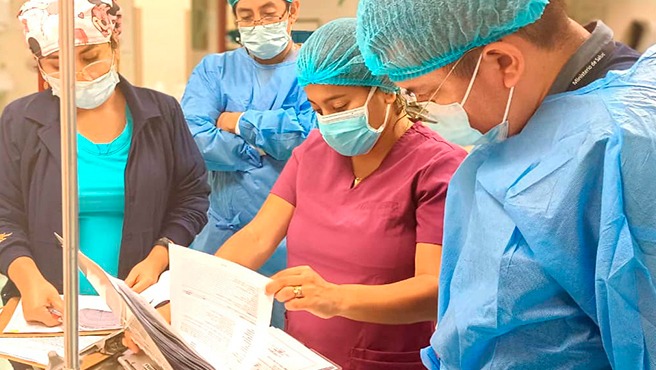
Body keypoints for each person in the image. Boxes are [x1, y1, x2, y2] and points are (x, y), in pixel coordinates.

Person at [357, 0, 656, 369]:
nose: (427, 114)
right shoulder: (535, 116)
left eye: (428, 94)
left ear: (504, 62)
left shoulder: (623, 145)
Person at [195, 18, 465, 369]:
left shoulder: (435, 167)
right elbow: (258, 237)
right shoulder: (314, 151)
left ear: (386, 87)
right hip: (300, 355)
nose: (328, 122)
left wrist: (337, 299)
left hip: (387, 360)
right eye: (317, 109)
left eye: (339, 106)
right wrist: (192, 293)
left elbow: (432, 291)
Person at [0, 0, 209, 329]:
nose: (78, 75)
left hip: (143, 300)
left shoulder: (161, 114)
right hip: (48, 306)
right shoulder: (20, 121)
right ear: (39, 64)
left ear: (114, 46)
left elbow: (191, 198)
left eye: (90, 58)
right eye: (57, 63)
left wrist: (159, 257)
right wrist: (28, 280)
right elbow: (4, 214)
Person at [181, 0, 315, 329]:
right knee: (216, 337)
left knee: (295, 343)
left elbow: (311, 138)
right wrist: (259, 149)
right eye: (246, 16)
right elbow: (194, 139)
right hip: (223, 234)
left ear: (292, 10)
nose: (258, 23)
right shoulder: (215, 70)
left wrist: (237, 121)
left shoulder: (313, 69)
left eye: (268, 13)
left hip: (297, 240)